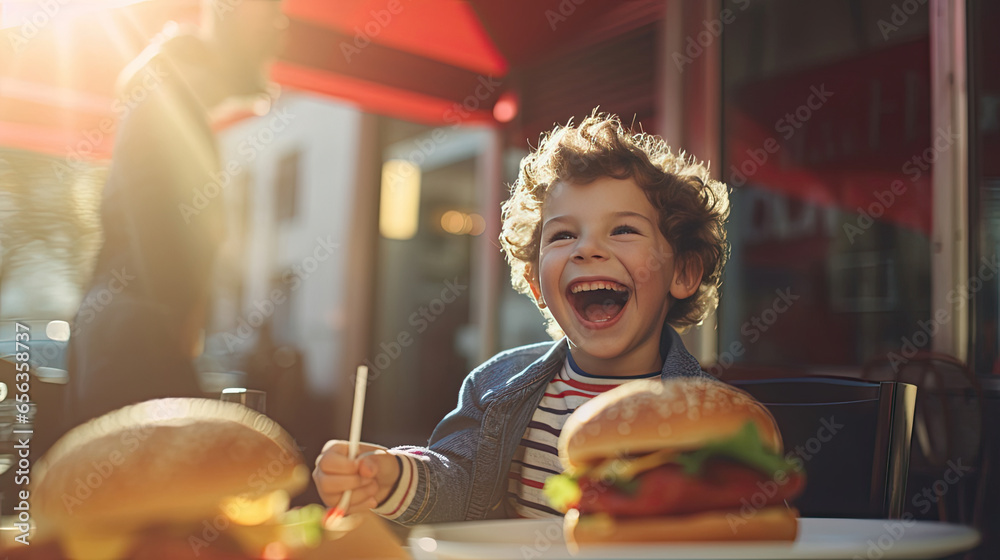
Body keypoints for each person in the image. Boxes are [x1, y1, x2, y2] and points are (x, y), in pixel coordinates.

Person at [313, 112, 731, 523]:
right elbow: (458, 478)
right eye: (563, 235)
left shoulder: (713, 416)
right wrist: (389, 476)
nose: (586, 249)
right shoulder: (495, 386)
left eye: (623, 230)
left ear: (683, 272)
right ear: (534, 282)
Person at [65, 0, 287, 426]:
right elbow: (162, 240)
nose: (280, 32)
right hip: (136, 331)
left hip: (123, 326)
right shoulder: (167, 109)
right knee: (155, 475)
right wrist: (181, 327)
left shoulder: (161, 104)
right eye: (271, 19)